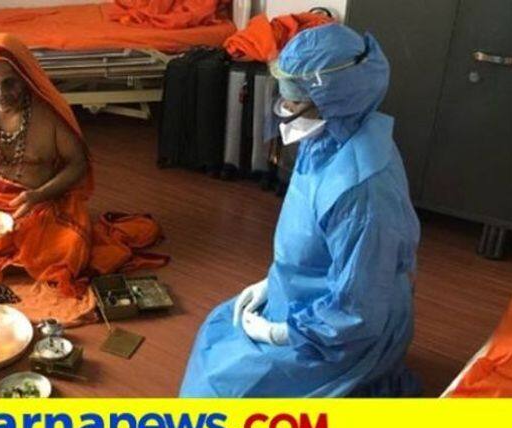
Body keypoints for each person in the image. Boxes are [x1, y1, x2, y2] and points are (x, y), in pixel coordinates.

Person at [180, 23, 421, 397]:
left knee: (219, 391)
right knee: (215, 330)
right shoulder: (331, 135)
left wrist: (281, 332)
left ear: (334, 98)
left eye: (294, 101)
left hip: (340, 332)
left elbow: (358, 311)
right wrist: (271, 284)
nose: (286, 110)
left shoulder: (361, 193)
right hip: (303, 296)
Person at [0, 33, 165, 301]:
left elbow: (78, 163)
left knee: (70, 249)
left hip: (43, 208)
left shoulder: (48, 114)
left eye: (9, 83)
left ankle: (8, 261)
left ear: (26, 78)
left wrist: (39, 195)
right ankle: (18, 262)